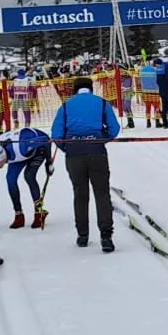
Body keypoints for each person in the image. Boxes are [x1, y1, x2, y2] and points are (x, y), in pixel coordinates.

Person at [50, 76, 120, 250]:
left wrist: (68, 147)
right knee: (102, 194)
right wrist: (100, 139)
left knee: (80, 195)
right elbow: (114, 128)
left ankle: (82, 235)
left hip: (74, 155)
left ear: (74, 89)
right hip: (97, 152)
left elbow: (56, 133)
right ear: (91, 88)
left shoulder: (66, 106)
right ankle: (106, 236)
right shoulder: (102, 103)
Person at [0, 126, 55, 229]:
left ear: (1, 158)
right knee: (10, 179)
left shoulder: (22, 146)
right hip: (17, 155)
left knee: (29, 176)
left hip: (37, 148)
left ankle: (39, 212)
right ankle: (18, 214)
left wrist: (48, 162)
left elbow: (46, 140)